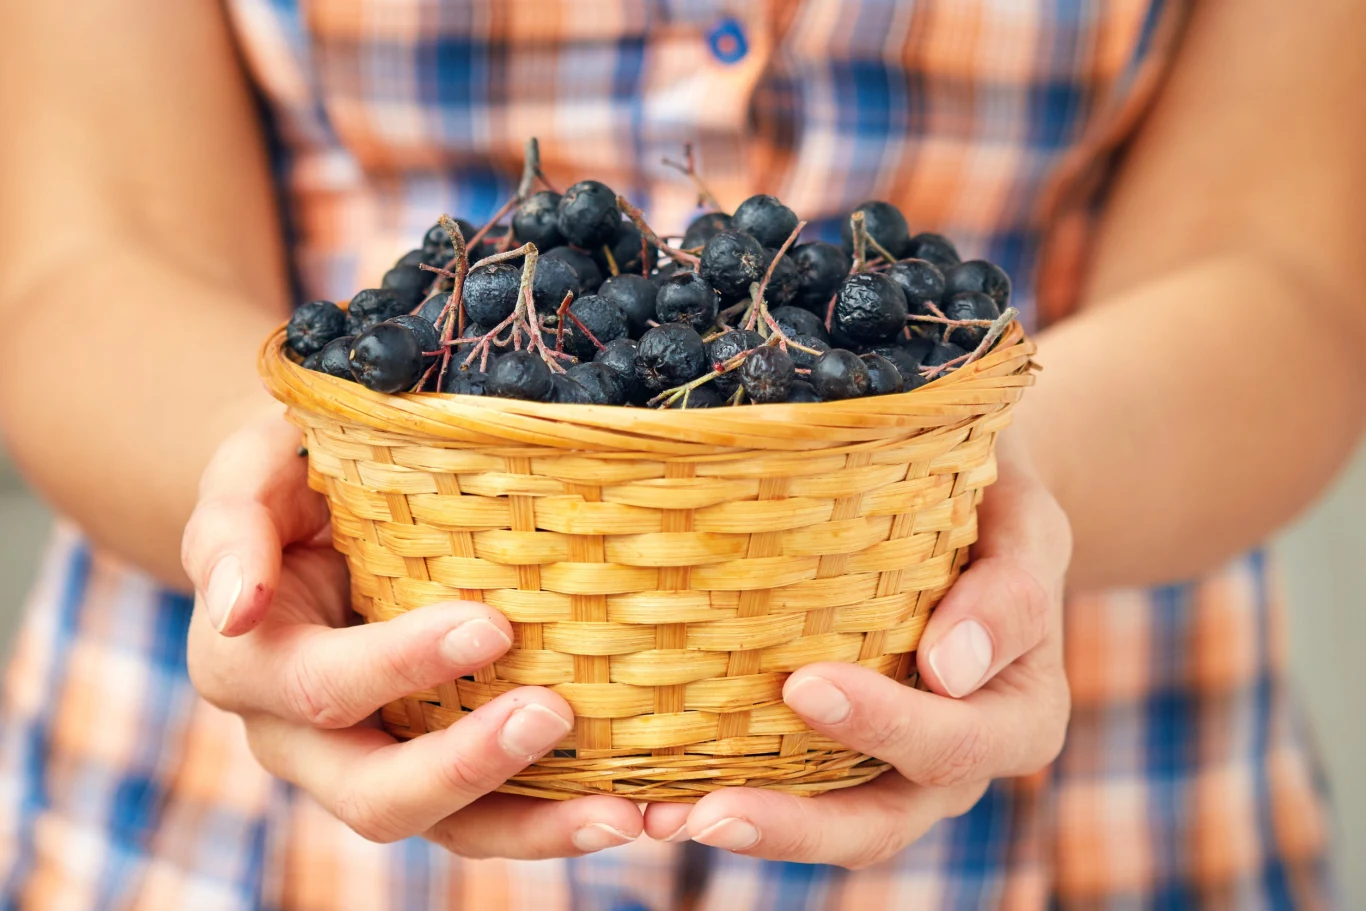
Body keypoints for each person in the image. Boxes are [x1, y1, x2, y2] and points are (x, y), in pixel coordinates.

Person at [1, 0, 1361, 908]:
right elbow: (77, 257)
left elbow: (1294, 279)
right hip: (232, 826)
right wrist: (284, 498)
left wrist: (977, 492)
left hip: (1089, 805)